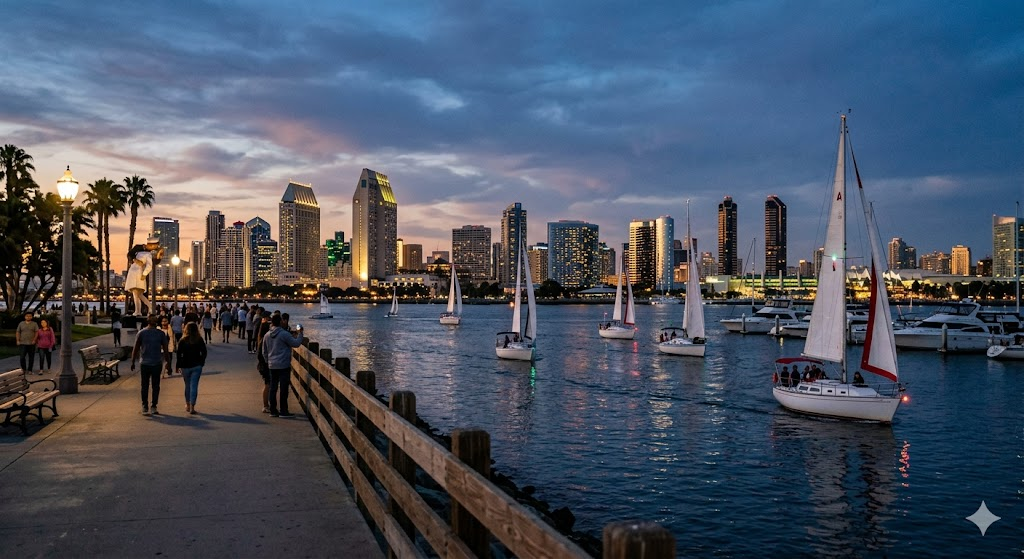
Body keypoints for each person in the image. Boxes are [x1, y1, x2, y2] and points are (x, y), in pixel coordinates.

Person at [261, 313, 302, 417]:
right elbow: (296, 343)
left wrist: (268, 361)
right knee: (284, 388)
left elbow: (264, 351)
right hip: (283, 365)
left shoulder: (267, 335)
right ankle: (283, 411)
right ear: (280, 322)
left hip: (272, 365)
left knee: (273, 388)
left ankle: (273, 410)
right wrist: (300, 333)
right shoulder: (284, 334)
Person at [131, 316, 168, 415]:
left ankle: (145, 406)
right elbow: (165, 349)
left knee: (145, 385)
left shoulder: (141, 333)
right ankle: (153, 406)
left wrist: (133, 361)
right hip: (156, 362)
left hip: (145, 363)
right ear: (157, 323)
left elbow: (135, 348)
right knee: (156, 386)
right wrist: (168, 362)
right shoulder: (161, 334)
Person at [124, 238, 163, 316]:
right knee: (138, 294)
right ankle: (148, 308)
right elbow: (129, 254)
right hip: (133, 271)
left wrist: (144, 274)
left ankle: (138, 311)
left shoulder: (148, 254)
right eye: (155, 246)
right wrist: (135, 260)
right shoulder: (138, 248)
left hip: (139, 273)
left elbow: (151, 265)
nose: (155, 248)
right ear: (151, 245)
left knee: (136, 293)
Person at [176, 322, 208, 414]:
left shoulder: (183, 340)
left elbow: (179, 354)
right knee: (194, 386)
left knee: (187, 385)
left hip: (185, 366)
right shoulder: (199, 339)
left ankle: (187, 404)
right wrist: (202, 362)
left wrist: (178, 366)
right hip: (197, 365)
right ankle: (192, 407)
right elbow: (204, 352)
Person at [254, 311, 273, 412]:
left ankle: (267, 404)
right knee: (268, 384)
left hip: (263, 364)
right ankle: (266, 405)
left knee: (268, 384)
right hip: (264, 365)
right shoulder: (264, 340)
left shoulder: (261, 338)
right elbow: (262, 354)